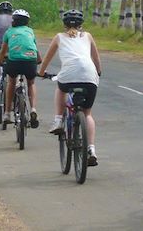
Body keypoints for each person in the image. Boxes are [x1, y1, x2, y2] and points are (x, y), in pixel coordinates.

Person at [38, 9, 102, 166]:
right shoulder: (88, 36)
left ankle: (58, 120)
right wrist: (98, 71)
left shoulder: (59, 37)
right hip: (90, 76)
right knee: (87, 114)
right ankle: (91, 150)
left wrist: (41, 72)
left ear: (64, 24)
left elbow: (46, 58)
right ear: (82, 24)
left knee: (60, 88)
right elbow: (96, 58)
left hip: (68, 76)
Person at [0, 9, 40, 127]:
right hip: (30, 61)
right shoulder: (30, 31)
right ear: (27, 22)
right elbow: (34, 48)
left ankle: (6, 114)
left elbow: (3, 51)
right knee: (31, 83)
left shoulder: (9, 32)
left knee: (11, 82)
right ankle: (33, 109)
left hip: (14, 62)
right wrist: (38, 60)